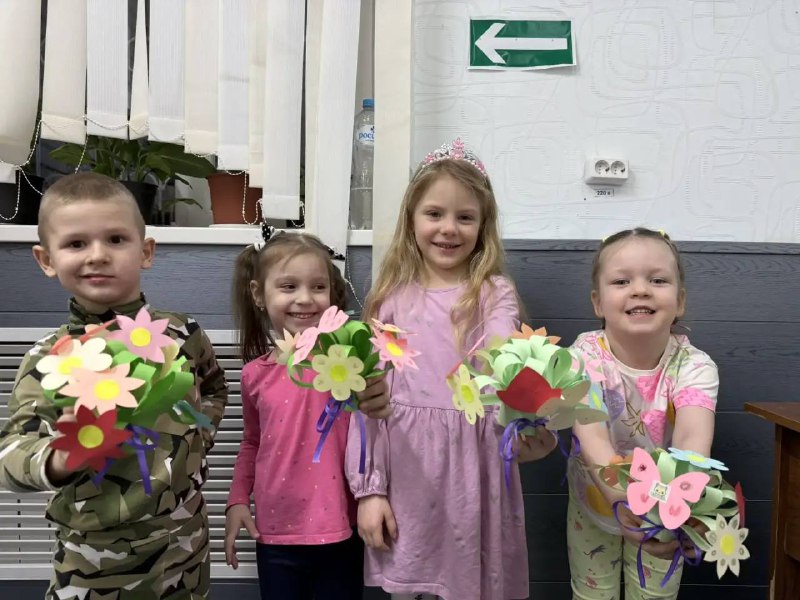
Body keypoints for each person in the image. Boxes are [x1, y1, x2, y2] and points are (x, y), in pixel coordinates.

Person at [0, 172, 228, 598]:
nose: (98, 255)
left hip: (185, 541)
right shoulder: (50, 358)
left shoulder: (182, 333)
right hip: (95, 557)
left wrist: (199, 435)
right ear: (46, 259)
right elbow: (11, 452)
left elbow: (213, 387)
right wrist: (57, 459)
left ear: (145, 251)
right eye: (76, 243)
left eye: (116, 239)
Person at [349, 139, 556, 600]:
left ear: (483, 226)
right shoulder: (391, 298)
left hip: (474, 473)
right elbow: (369, 407)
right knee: (412, 585)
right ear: (411, 219)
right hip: (409, 473)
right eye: (434, 213)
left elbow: (504, 360)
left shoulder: (493, 293)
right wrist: (370, 491)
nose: (448, 228)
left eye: (465, 217)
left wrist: (528, 417)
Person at [224, 230, 392, 600]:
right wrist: (237, 500)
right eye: (289, 286)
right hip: (276, 532)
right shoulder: (254, 375)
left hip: (342, 529)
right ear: (258, 294)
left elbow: (376, 428)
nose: (305, 298)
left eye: (318, 287)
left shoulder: (351, 366)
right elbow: (252, 443)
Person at [567, 227, 719, 599]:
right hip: (594, 500)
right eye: (622, 281)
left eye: (657, 280)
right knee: (592, 594)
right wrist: (621, 499)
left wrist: (674, 509)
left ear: (679, 301)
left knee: (655, 595)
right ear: (598, 302)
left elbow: (692, 443)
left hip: (663, 509)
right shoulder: (582, 357)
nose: (640, 289)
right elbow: (592, 436)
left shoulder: (694, 367)